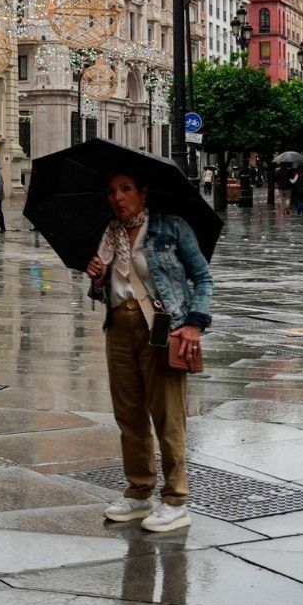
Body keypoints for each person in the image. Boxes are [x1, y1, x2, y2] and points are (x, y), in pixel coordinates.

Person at [84, 172, 213, 533]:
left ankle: (175, 498)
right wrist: (96, 278)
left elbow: (203, 278)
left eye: (126, 189)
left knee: (168, 415)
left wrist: (194, 324)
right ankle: (139, 491)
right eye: (111, 191)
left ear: (143, 191)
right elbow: (104, 293)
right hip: (119, 329)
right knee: (128, 415)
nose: (117, 197)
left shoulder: (170, 227)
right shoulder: (108, 235)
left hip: (162, 328)